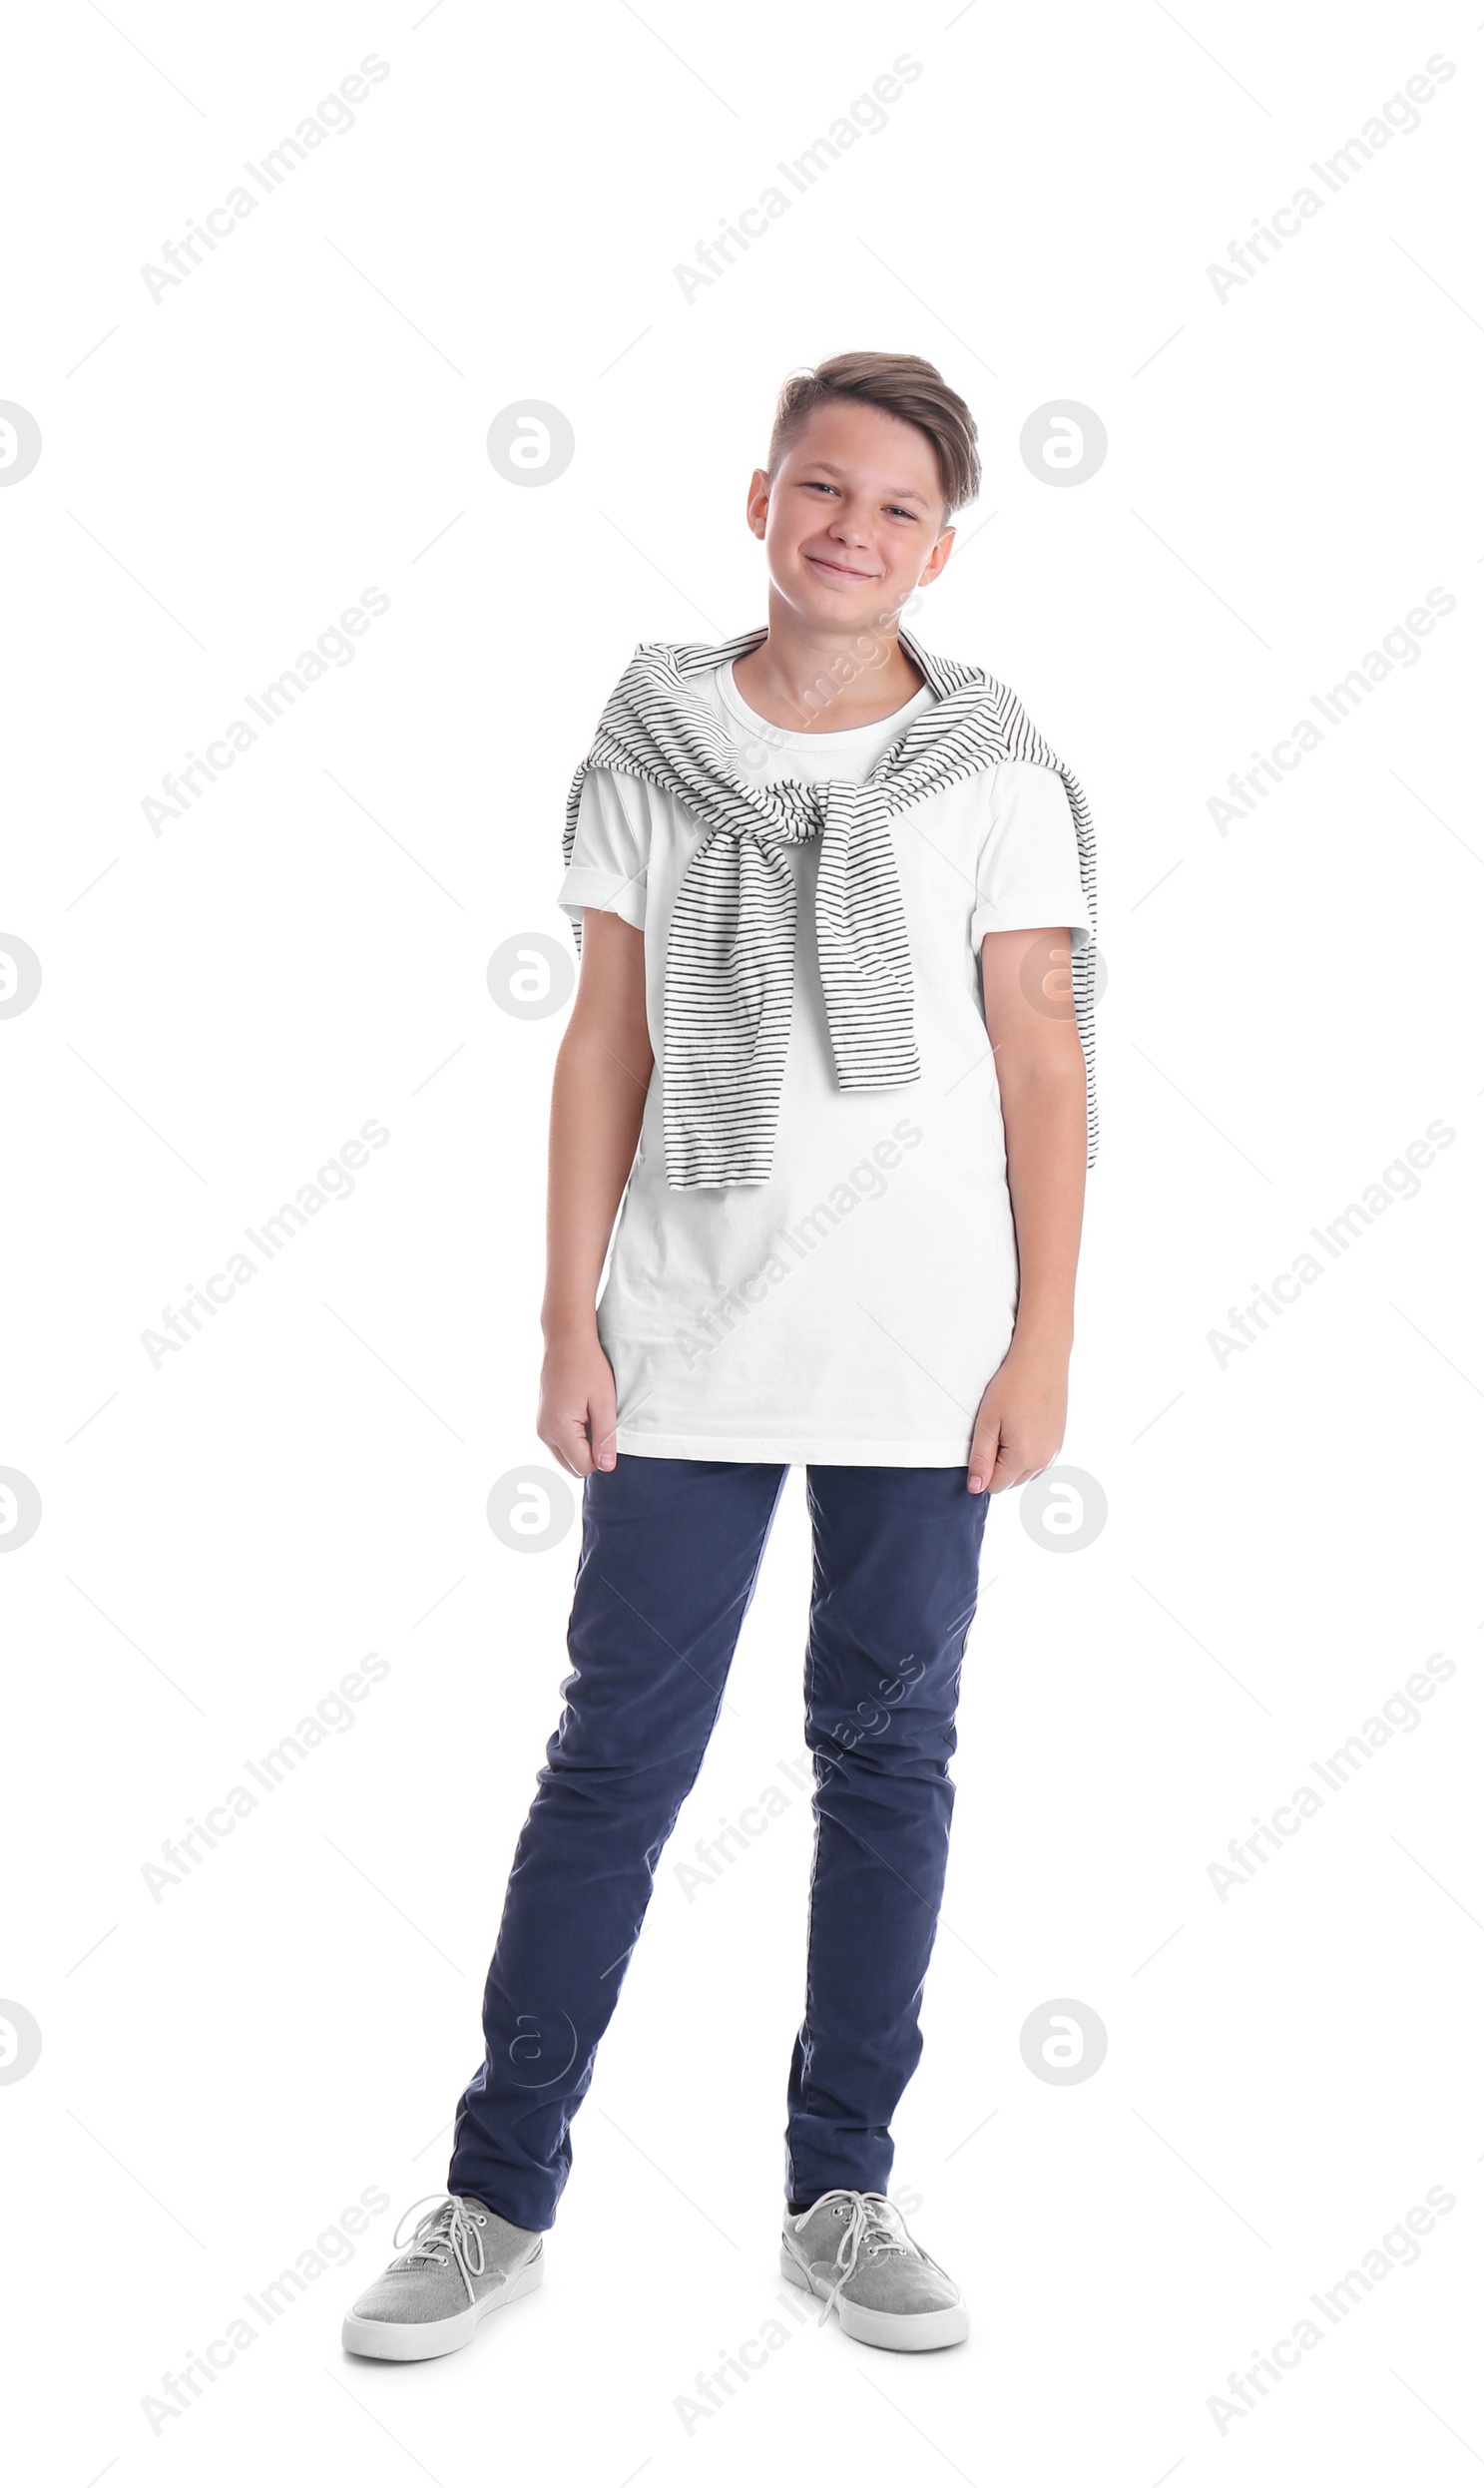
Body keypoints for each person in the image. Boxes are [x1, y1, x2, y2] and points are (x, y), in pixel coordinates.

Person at [342, 349, 1099, 2363]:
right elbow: (603, 1033)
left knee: (887, 1760)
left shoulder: (994, 767)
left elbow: (1043, 1058)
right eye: (820, 487)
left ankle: (838, 2189)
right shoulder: (651, 736)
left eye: (896, 507)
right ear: (759, 498)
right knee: (610, 1764)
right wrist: (561, 1306)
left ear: (942, 542)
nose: (851, 527)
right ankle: (495, 2189)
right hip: (682, 1331)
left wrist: (1042, 1338)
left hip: (923, 1352)